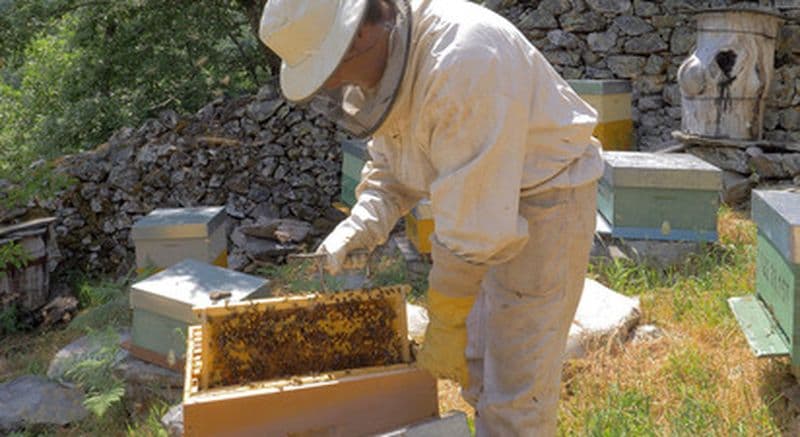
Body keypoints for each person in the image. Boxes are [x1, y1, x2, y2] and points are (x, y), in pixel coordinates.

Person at [259, 0, 602, 434]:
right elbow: (394, 166)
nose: (332, 83)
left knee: (516, 390)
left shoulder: (464, 61)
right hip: (477, 210)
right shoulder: (388, 61)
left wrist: (446, 316)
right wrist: (360, 226)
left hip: (544, 199)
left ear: (359, 32)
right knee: (479, 364)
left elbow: (476, 225)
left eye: (330, 68)